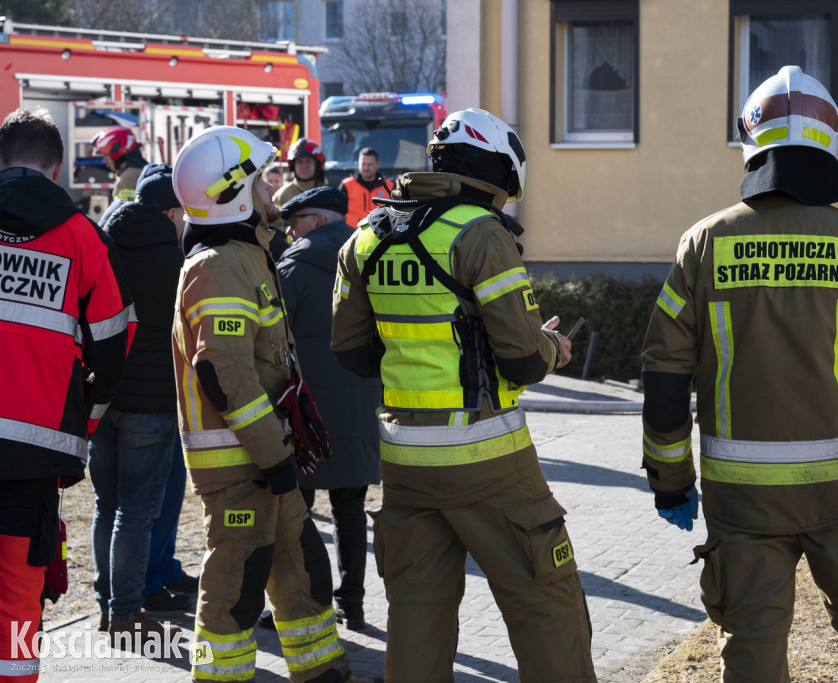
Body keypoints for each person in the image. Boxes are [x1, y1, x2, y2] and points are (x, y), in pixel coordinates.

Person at [640, 66, 838, 683]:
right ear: (832, 138)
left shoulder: (702, 245)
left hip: (741, 499)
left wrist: (671, 482)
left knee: (752, 646)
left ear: (749, 139)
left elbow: (664, 373)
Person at [331, 108, 596, 682]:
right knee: (546, 602)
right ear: (498, 173)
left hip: (404, 464)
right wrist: (551, 346)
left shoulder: (368, 235)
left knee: (416, 614)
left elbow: (351, 353)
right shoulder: (480, 233)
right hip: (488, 461)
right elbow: (523, 359)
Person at [171, 125, 372, 683]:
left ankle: (323, 672)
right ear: (232, 193)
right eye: (261, 181)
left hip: (265, 458)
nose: (271, 190)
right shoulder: (218, 266)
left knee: (303, 569)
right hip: (241, 464)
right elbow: (225, 373)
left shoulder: (247, 255)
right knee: (234, 590)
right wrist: (272, 456)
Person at [0, 107, 135, 680]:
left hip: (34, 450)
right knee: (17, 598)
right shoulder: (83, 238)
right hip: (33, 455)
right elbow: (114, 343)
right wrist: (81, 422)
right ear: (56, 168)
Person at [267, 187, 381, 633]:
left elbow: (274, 338)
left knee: (297, 511)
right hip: (361, 403)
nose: (290, 231)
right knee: (349, 510)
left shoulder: (292, 267)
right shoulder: (371, 258)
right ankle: (352, 604)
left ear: (317, 220)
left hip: (306, 411)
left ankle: (303, 603)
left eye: (295, 222)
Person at [90, 163, 192, 645]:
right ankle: (125, 614)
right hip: (151, 404)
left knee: (105, 505)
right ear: (170, 212)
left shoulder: (104, 246)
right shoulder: (176, 263)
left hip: (102, 399)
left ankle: (105, 604)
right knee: (135, 512)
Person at [92, 125, 148, 227]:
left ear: (116, 153)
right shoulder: (136, 171)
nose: (104, 161)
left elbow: (127, 218)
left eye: (106, 156)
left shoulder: (127, 178)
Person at [338, 147, 393, 228]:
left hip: (379, 233)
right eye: (363, 164)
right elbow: (338, 213)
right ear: (358, 163)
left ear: (377, 165)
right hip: (352, 232)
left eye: (370, 164)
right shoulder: (346, 185)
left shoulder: (389, 187)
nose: (366, 168)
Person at [273, 137, 327, 207]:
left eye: (308, 161)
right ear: (293, 166)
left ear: (317, 165)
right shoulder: (282, 196)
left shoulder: (327, 193)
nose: (304, 166)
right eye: (300, 162)